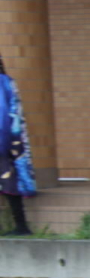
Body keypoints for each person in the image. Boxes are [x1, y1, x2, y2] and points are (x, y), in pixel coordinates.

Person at [0, 53, 36, 236]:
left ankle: (22, 226)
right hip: (9, 141)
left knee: (9, 183)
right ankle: (20, 225)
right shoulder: (7, 82)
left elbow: (3, 117)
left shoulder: (2, 83)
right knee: (9, 184)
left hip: (4, 143)